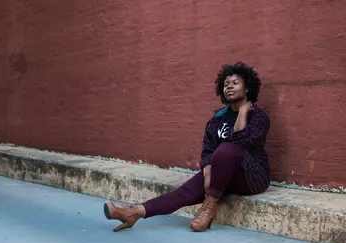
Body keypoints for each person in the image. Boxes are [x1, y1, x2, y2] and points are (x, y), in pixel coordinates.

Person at [104, 62, 271, 232]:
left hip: (251, 178)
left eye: (235, 83)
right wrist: (207, 171)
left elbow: (242, 143)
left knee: (227, 149)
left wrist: (243, 112)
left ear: (247, 88)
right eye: (226, 84)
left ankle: (209, 207)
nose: (229, 87)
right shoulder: (217, 119)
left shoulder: (259, 117)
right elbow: (208, 149)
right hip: (221, 177)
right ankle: (134, 212)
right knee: (183, 193)